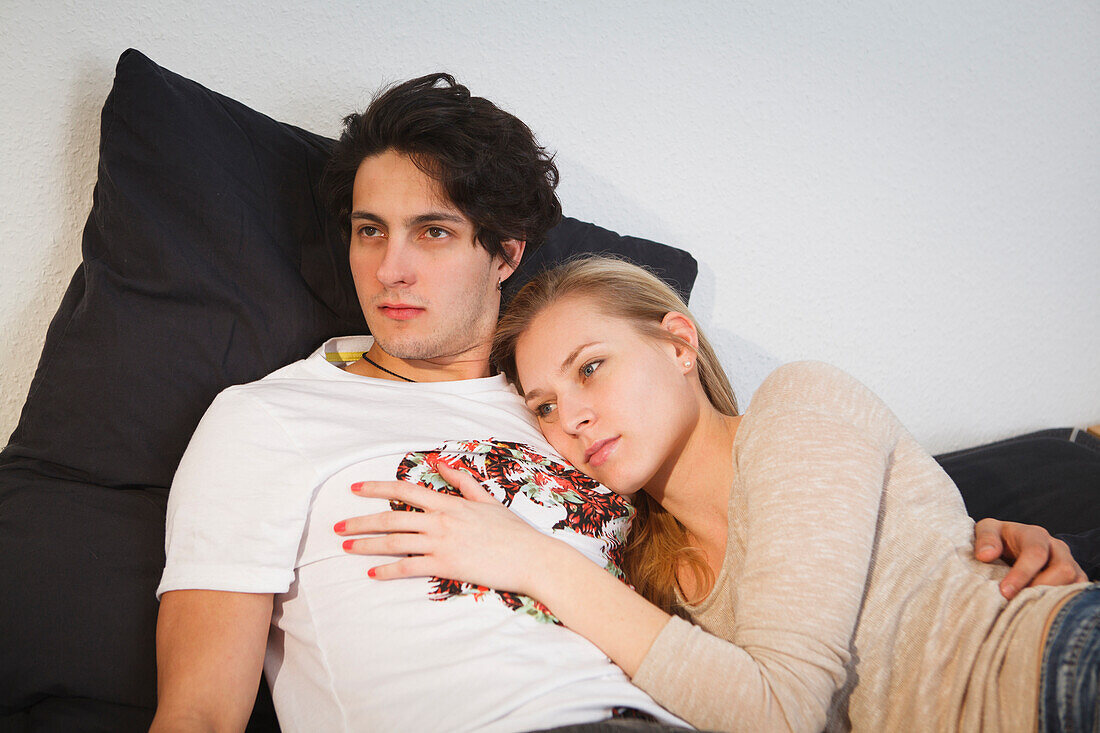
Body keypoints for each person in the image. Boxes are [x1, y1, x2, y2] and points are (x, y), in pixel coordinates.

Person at [153, 71, 1080, 732]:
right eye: (369, 230)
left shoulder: (587, 426)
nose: (390, 269)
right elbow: (197, 710)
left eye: (433, 231)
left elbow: (791, 547)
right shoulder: (268, 420)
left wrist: (967, 527)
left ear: (506, 253)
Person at [339, 256, 1096, 732]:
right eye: (541, 405)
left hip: (1051, 672)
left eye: (591, 367)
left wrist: (533, 560)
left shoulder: (797, 406)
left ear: (678, 343)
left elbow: (783, 710)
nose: (569, 416)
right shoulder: (647, 578)